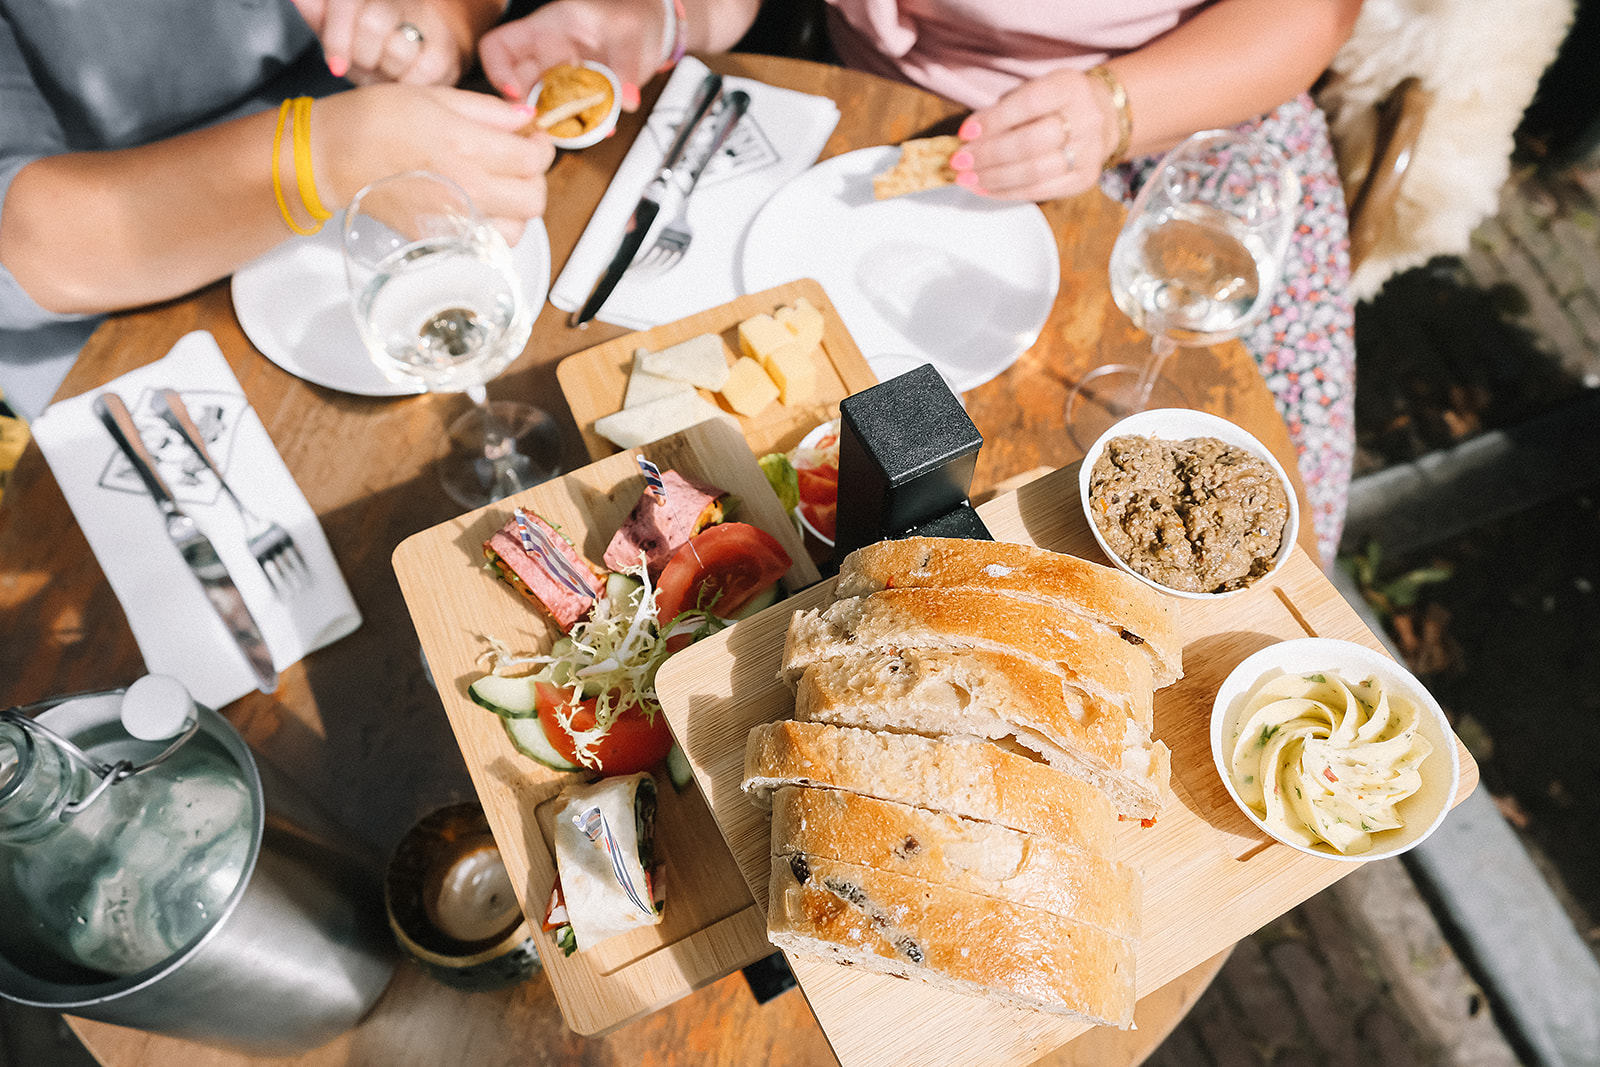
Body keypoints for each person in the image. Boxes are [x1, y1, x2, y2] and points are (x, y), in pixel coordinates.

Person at [478, 0, 1363, 565]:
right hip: (868, 103)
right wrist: (656, 18)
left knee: (1243, 525)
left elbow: (1314, 12)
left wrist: (1114, 108)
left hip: (1178, 129)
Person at [0, 0, 554, 421]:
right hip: (133, 331)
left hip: (387, 155)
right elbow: (26, 242)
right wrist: (319, 157)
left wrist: (438, 24)